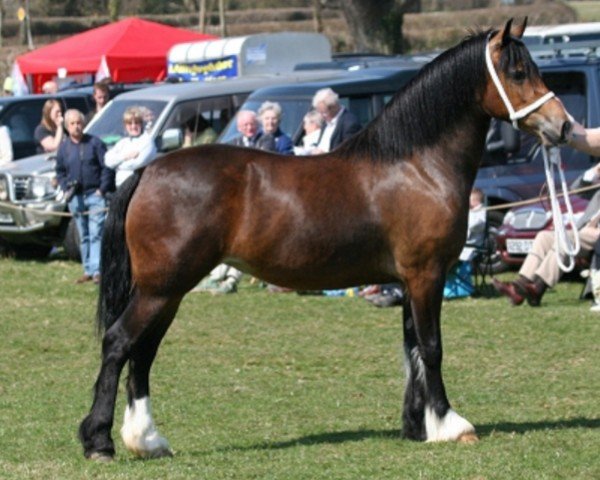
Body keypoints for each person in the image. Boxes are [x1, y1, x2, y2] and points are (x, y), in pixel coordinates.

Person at [493, 162, 600, 307]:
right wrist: (594, 171)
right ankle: (520, 286)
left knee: (565, 240)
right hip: (584, 232)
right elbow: (577, 190)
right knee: (544, 236)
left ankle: (538, 288)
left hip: (595, 235)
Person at [55, 109, 114, 284]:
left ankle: (97, 271)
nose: (76, 126)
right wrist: (66, 187)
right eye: (72, 124)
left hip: (95, 195)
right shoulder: (64, 148)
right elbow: (60, 171)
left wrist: (102, 190)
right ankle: (87, 269)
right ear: (67, 126)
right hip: (76, 198)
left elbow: (107, 167)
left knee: (97, 233)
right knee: (84, 235)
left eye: (79, 123)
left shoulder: (95, 143)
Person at [104, 106, 157, 188]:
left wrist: (117, 166)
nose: (133, 126)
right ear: (125, 126)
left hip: (139, 187)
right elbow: (108, 160)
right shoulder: (123, 142)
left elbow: (138, 164)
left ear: (141, 124)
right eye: (129, 123)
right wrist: (124, 157)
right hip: (120, 187)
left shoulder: (147, 141)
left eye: (136, 123)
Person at [311, 87, 361, 153]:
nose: (322, 116)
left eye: (324, 112)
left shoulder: (350, 124)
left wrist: (324, 155)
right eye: (320, 112)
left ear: (334, 107)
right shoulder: (326, 122)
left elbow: (349, 153)